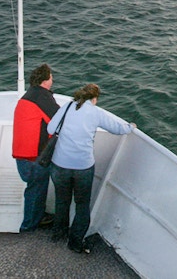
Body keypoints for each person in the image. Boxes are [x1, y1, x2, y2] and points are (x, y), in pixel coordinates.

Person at [48, 83, 136, 253]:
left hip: (59, 165)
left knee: (62, 201)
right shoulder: (95, 113)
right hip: (82, 167)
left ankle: (58, 233)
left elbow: (50, 128)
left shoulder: (67, 107)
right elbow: (117, 128)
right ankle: (75, 242)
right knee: (82, 205)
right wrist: (130, 127)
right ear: (95, 98)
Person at [12, 63, 60, 232]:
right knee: (36, 189)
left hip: (21, 155)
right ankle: (29, 226)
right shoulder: (42, 97)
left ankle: (37, 216)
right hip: (34, 157)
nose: (52, 80)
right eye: (51, 77)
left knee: (35, 187)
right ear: (46, 80)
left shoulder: (28, 96)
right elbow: (59, 119)